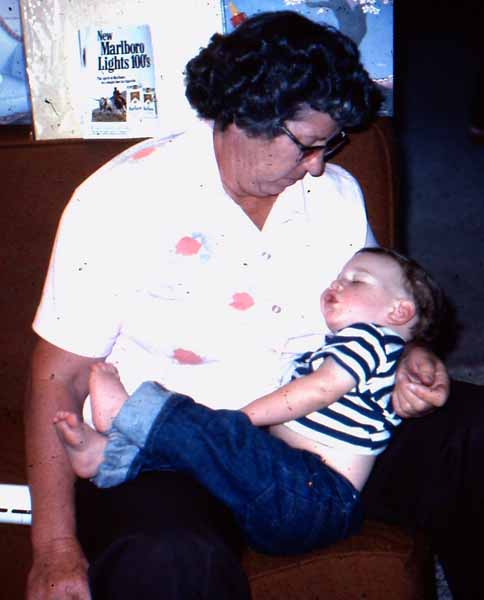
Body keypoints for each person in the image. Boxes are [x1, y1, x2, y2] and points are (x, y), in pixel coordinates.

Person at [25, 10, 456, 600]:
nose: (319, 165)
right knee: (168, 559)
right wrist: (53, 548)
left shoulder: (332, 195)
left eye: (328, 144)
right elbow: (58, 373)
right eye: (307, 145)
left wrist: (411, 356)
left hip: (324, 437)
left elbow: (378, 307)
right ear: (244, 116)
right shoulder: (122, 199)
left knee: (472, 436)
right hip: (176, 449)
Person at [53, 247, 445, 557]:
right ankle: (111, 458)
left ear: (398, 311)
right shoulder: (351, 347)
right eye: (338, 277)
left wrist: (239, 419)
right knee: (210, 461)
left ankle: (129, 413)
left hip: (316, 496)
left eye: (356, 280)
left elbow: (319, 390)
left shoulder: (371, 340)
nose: (338, 284)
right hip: (288, 501)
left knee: (220, 440)